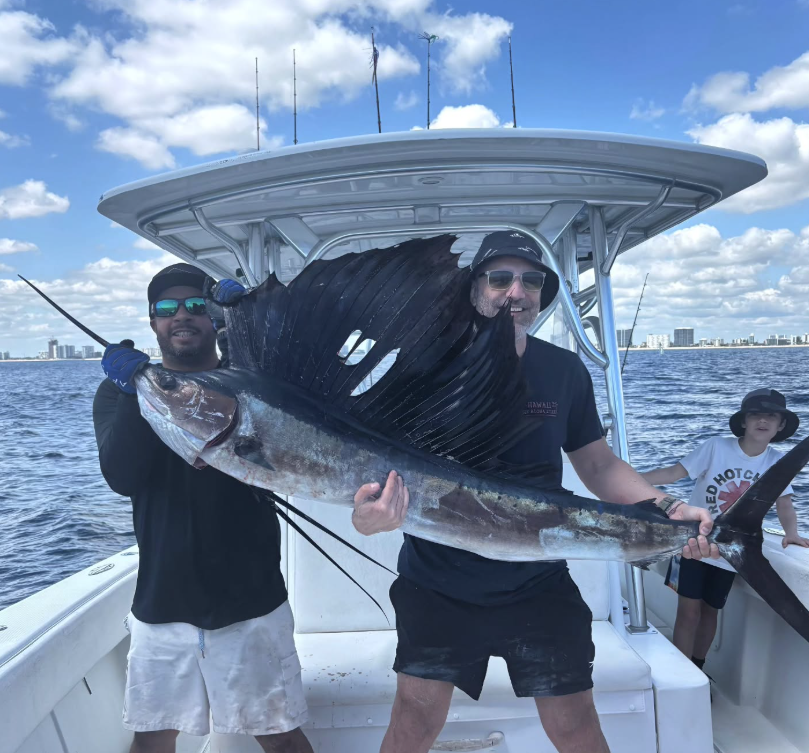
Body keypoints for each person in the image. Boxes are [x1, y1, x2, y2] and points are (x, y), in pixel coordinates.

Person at [351, 231, 721, 753]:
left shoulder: (563, 369)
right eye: (499, 279)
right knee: (414, 718)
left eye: (531, 281)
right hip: (436, 581)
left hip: (537, 579)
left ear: (543, 293)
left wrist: (669, 508)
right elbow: (376, 471)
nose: (516, 293)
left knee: (573, 723)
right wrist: (366, 518)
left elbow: (596, 462)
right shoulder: (424, 367)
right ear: (474, 288)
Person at [93, 263, 313, 753]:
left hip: (251, 601)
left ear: (214, 316)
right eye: (166, 309)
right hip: (162, 602)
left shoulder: (249, 382)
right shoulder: (120, 393)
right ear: (152, 322)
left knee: (281, 738)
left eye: (196, 305)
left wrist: (250, 322)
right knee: (151, 739)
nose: (182, 316)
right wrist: (138, 395)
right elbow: (121, 477)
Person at [641, 389, 808, 674]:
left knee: (710, 611)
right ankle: (682, 675)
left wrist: (790, 532)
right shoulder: (716, 447)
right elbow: (674, 474)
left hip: (729, 552)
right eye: (756, 414)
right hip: (692, 542)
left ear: (781, 426)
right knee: (689, 611)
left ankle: (697, 667)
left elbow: (785, 504)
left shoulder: (777, 462)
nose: (763, 421)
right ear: (744, 421)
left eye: (772, 416)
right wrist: (631, 482)